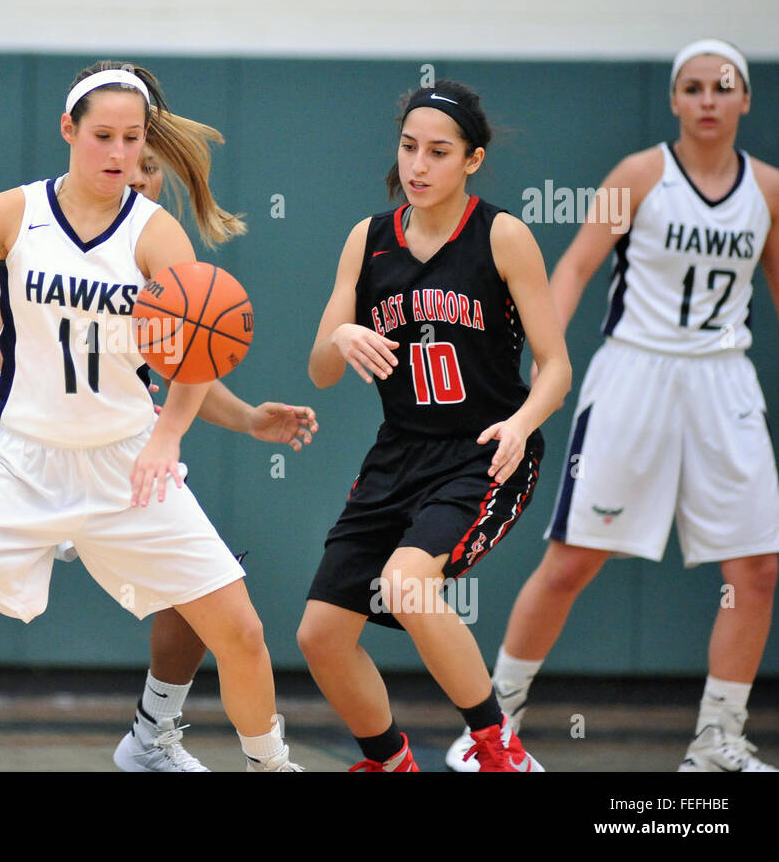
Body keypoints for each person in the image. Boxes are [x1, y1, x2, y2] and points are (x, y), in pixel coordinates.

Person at [0, 60, 302, 772]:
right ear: (68, 130)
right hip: (16, 456)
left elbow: (194, 358)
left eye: (131, 139)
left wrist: (168, 435)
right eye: (102, 137)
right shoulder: (12, 212)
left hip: (124, 461)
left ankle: (268, 763)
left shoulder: (156, 234)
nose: (118, 154)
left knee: (241, 631)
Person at [446, 39, 779, 773]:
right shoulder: (640, 174)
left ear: (745, 99)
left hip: (725, 380)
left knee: (756, 570)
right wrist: (540, 354)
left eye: (722, 87)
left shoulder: (769, 188)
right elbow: (575, 265)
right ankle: (491, 727)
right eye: (692, 88)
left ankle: (718, 739)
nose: (707, 100)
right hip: (636, 374)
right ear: (674, 100)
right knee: (572, 561)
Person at [298, 80, 571, 772]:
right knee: (321, 634)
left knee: (409, 583)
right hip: (398, 453)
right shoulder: (368, 239)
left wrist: (520, 423)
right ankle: (390, 762)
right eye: (409, 147)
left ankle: (498, 747)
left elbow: (556, 366)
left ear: (472, 160)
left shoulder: (502, 235)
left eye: (438, 152)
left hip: (485, 450)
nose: (418, 165)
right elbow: (320, 372)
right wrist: (342, 338)